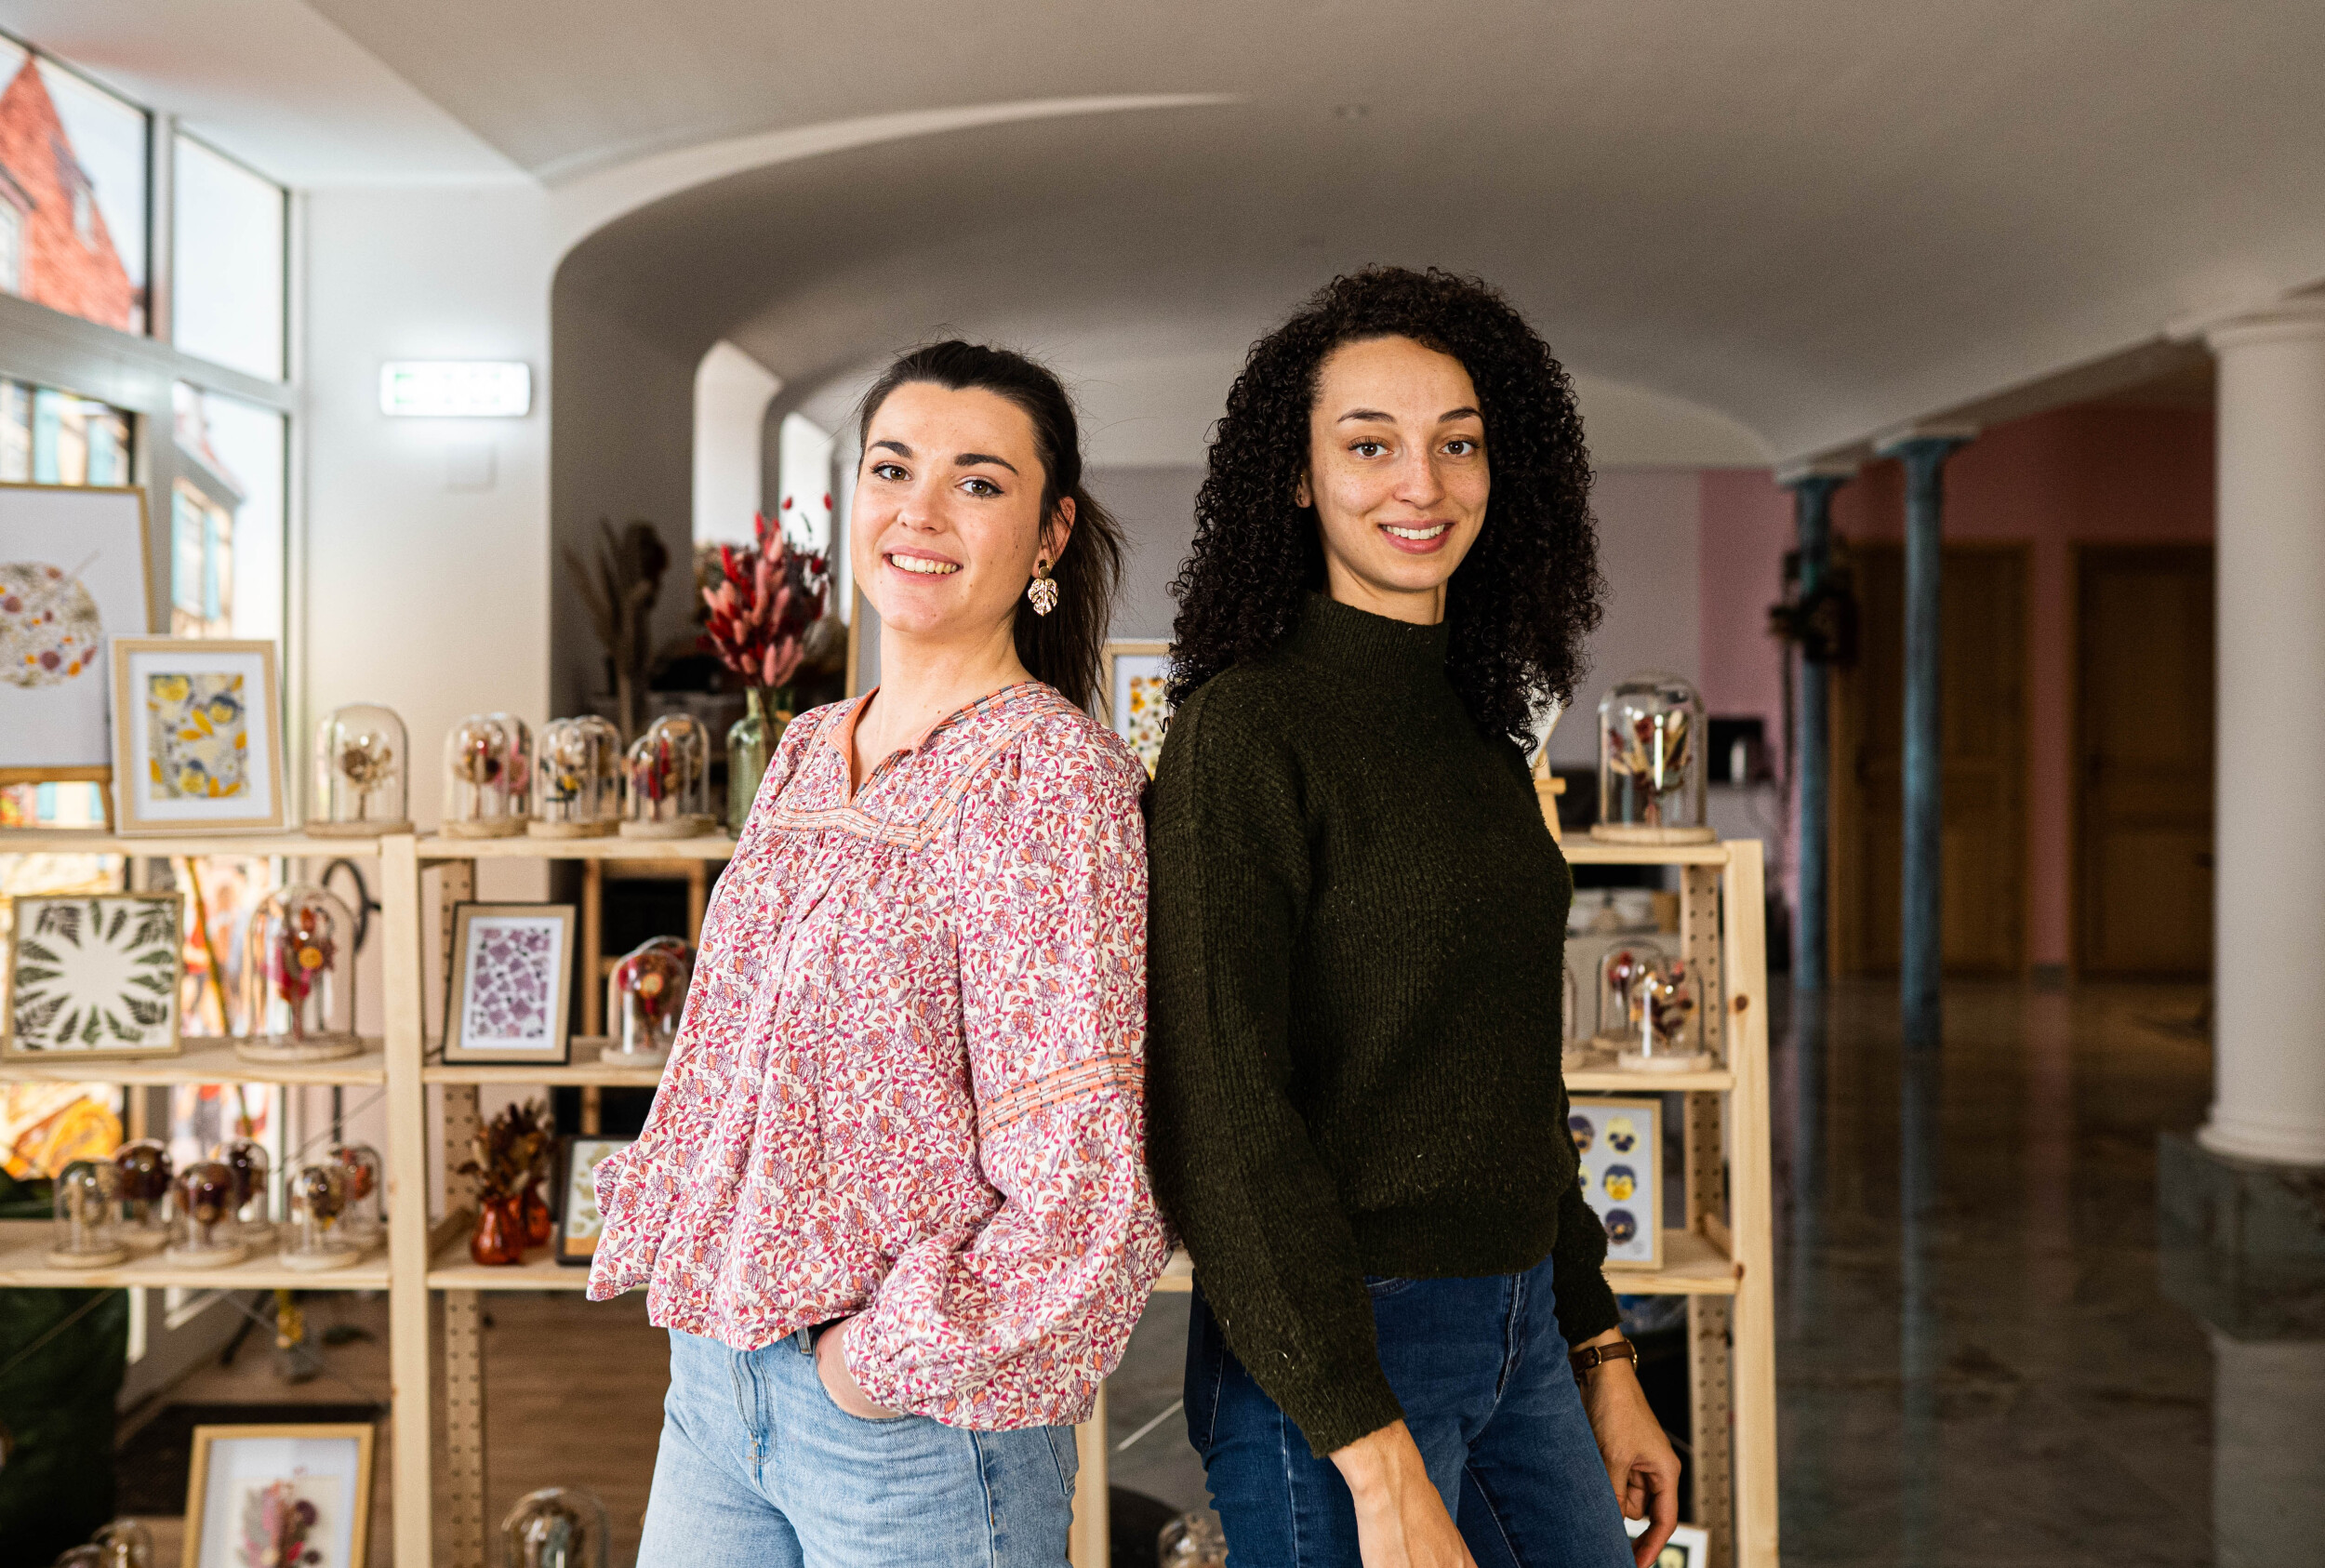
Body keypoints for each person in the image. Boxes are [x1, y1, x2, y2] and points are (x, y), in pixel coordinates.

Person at [590, 340, 1171, 1567]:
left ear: (1052, 532)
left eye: (977, 481)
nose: (920, 509)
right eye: (894, 468)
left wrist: (875, 1365)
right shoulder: (807, 747)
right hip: (719, 1378)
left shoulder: (1045, 776)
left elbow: (1088, 1186)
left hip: (906, 1422)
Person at [1147, 267, 1682, 1568]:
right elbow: (1223, 1116)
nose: (1422, 484)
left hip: (1522, 1343)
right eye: (1369, 445)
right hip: (1333, 1360)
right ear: (1296, 476)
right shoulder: (1245, 732)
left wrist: (1598, 1343)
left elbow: (1510, 1080)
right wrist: (1374, 1457)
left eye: (1459, 444)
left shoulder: (1479, 735)